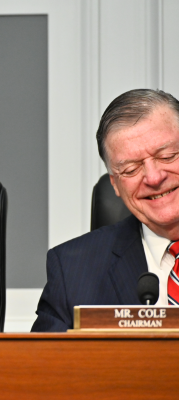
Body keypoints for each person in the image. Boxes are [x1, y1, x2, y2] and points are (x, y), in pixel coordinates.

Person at [32, 88, 179, 332]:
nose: (153, 178)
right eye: (131, 169)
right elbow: (44, 368)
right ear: (115, 185)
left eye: (167, 156)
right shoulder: (72, 270)